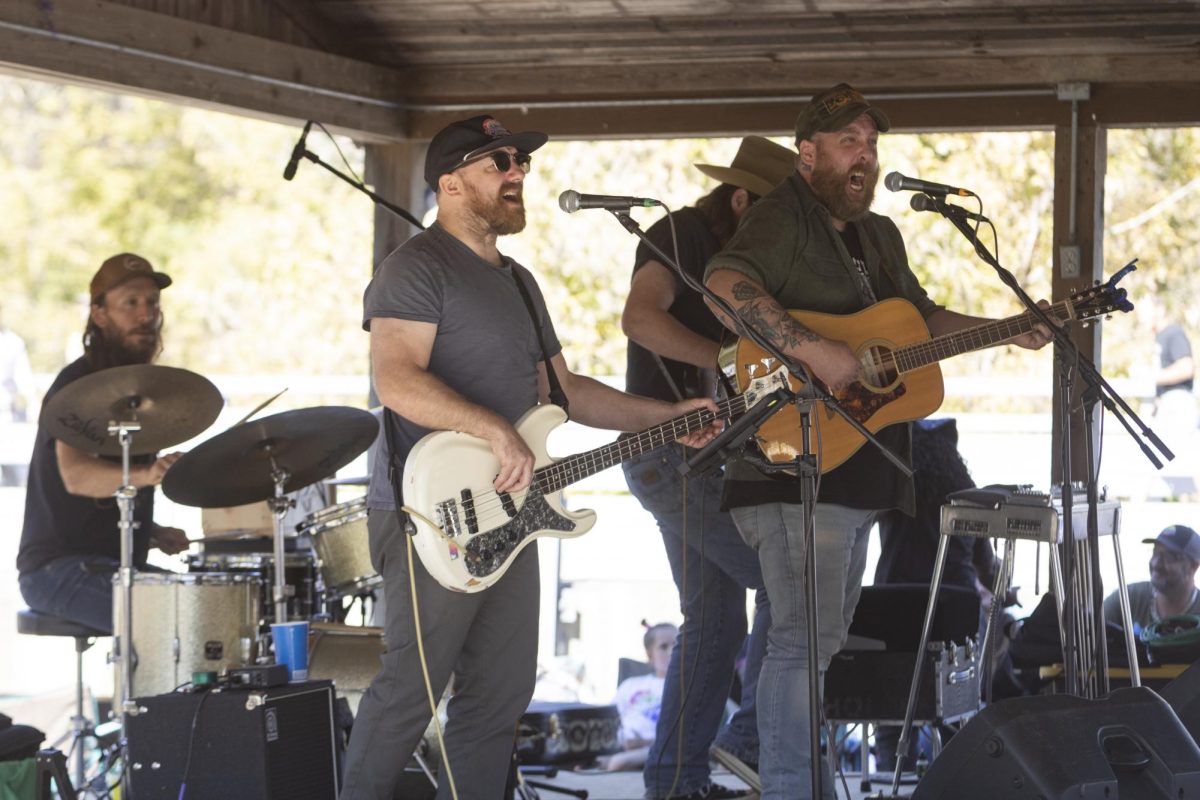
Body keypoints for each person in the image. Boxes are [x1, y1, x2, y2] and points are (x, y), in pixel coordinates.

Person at [339, 114, 721, 800]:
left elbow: (565, 393)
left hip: (510, 513)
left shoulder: (519, 281)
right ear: (451, 184)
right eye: (499, 164)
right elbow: (395, 380)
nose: (519, 174)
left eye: (520, 162)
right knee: (409, 693)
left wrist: (667, 418)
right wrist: (494, 429)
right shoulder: (415, 269)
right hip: (430, 514)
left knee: (499, 697)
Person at [702, 83, 1052, 798]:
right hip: (789, 459)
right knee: (802, 644)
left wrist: (1006, 328)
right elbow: (723, 284)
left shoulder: (878, 235)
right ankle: (791, 789)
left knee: (820, 646)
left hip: (856, 468)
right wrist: (817, 351)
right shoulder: (784, 215)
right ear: (809, 154)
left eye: (871, 141)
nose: (865, 154)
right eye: (849, 142)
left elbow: (917, 324)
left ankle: (806, 786)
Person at [621, 135, 794, 799]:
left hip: (703, 458)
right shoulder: (682, 233)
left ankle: (674, 781)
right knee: (784, 582)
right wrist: (724, 362)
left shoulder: (748, 257)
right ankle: (746, 745)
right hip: (669, 455)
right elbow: (641, 317)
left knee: (718, 619)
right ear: (741, 199)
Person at [16, 254, 190, 633]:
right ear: (99, 314)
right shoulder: (77, 386)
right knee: (171, 621)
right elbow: (77, 477)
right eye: (130, 303)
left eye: (152, 303)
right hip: (54, 569)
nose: (145, 314)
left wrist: (154, 530)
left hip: (115, 564)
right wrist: (148, 473)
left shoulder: (137, 388)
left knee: (207, 607)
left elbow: (99, 502)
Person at [601, 622, 679, 772]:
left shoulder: (683, 688)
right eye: (663, 647)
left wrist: (644, 742)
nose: (672, 652)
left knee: (618, 763)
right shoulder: (631, 685)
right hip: (619, 745)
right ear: (650, 655)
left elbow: (682, 736)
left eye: (676, 645)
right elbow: (610, 720)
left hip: (656, 748)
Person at [1104, 524, 1200, 634]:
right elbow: (1090, 629)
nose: (1156, 563)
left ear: (1193, 566)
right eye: (1155, 553)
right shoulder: (1128, 598)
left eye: (1169, 557)